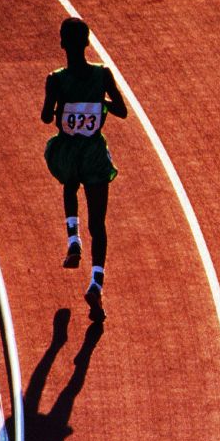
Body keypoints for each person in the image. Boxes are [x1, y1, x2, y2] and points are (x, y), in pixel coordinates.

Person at [40, 17, 126, 318]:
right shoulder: (102, 75)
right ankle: (96, 283)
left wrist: (62, 106)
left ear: (63, 43)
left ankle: (72, 240)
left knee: (69, 185)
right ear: (88, 43)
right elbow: (123, 110)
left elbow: (46, 118)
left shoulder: (56, 79)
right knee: (99, 224)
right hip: (93, 153)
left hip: (67, 151)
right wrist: (100, 104)